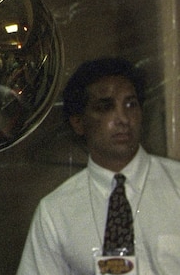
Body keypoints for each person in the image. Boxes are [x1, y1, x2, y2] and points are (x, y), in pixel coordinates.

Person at [16, 57, 180, 274]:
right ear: (79, 123)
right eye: (106, 107)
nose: (122, 118)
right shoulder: (57, 212)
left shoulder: (176, 186)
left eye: (130, 104)